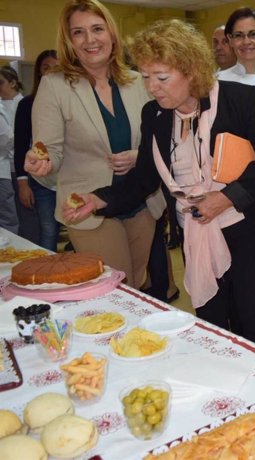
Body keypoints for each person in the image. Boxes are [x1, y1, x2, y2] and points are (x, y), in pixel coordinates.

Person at [62, 19, 255, 352]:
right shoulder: (154, 115)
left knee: (252, 314)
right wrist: (100, 200)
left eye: (161, 77)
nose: (152, 88)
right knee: (210, 316)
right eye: (145, 77)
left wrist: (225, 198)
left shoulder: (238, 99)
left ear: (191, 70)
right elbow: (144, 177)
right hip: (196, 228)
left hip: (248, 226)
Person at [25, 0, 165, 288]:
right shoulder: (55, 86)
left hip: (141, 202)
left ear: (111, 34)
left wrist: (139, 156)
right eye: (78, 32)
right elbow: (49, 152)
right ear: (69, 41)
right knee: (115, 287)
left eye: (97, 29)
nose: (90, 40)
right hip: (88, 208)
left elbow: (160, 140)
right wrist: (43, 164)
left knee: (136, 284)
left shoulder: (139, 82)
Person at [14, 50, 60, 251]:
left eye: (56, 67)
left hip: (72, 177)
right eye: (46, 67)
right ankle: (46, 275)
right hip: (43, 180)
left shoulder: (71, 101)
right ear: (39, 72)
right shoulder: (27, 104)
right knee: (49, 229)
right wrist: (23, 183)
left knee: (80, 233)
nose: (51, 71)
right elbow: (21, 145)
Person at [0, 66, 22, 234]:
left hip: (21, 166)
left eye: (1, 83)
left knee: (20, 214)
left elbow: (10, 137)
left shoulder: (23, 103)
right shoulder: (1, 104)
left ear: (13, 83)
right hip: (6, 165)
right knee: (9, 213)